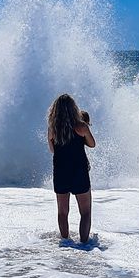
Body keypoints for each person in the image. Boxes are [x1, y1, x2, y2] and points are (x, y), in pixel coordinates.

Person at [46, 93, 96, 244]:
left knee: (62, 212)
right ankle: (84, 244)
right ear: (74, 108)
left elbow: (52, 150)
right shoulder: (81, 126)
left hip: (60, 171)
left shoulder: (52, 129)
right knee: (85, 212)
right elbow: (92, 144)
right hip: (79, 171)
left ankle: (66, 241)